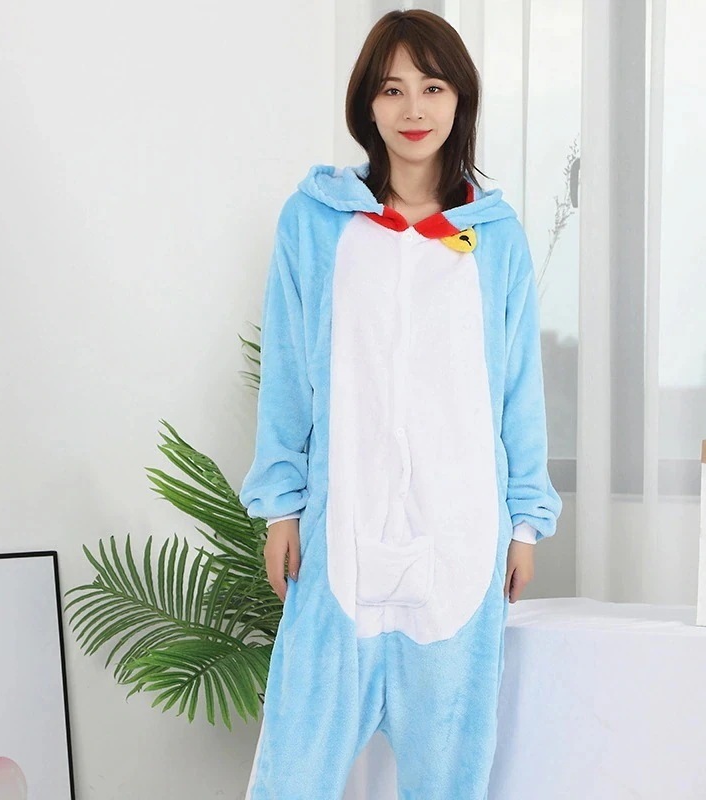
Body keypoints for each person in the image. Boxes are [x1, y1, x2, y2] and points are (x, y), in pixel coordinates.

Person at [239, 8, 562, 799]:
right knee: (295, 771)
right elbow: (289, 375)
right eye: (391, 89)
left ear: (460, 100)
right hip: (341, 534)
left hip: (460, 537)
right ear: (367, 105)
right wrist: (281, 510)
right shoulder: (315, 223)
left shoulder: (496, 238)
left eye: (432, 86)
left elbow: (518, 388)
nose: (413, 109)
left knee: (448, 777)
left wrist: (524, 524)